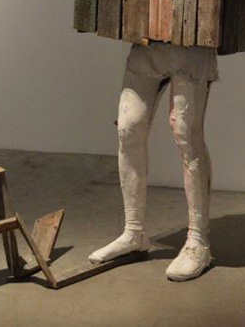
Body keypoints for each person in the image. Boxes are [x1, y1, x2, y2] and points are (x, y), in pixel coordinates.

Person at [89, 42, 217, 282]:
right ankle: (133, 232)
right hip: (147, 41)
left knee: (187, 135)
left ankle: (198, 241)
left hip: (192, 45)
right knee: (128, 129)